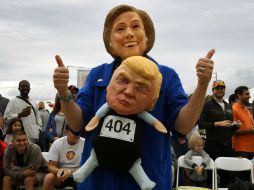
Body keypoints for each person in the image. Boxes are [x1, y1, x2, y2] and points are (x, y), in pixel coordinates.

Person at [52, 4, 215, 190]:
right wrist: (63, 92)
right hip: (98, 182)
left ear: (147, 37)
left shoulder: (166, 76)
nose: (129, 33)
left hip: (147, 182)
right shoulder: (98, 74)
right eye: (120, 29)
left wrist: (202, 85)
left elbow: (183, 126)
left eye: (135, 26)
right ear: (110, 41)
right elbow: (78, 124)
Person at [73, 56, 167, 190]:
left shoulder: (139, 113)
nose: (128, 91)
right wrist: (95, 119)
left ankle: (144, 182)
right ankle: (83, 172)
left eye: (141, 87)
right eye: (123, 80)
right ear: (109, 86)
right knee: (94, 158)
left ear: (152, 101)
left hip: (130, 155)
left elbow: (152, 120)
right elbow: (96, 116)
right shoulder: (107, 107)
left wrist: (157, 124)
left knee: (134, 165)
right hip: (101, 150)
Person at [42, 125, 85, 190]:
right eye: (74, 132)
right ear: (66, 131)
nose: (77, 134)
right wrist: (59, 171)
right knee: (49, 177)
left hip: (77, 174)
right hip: (61, 175)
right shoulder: (58, 143)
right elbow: (51, 166)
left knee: (86, 177)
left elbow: (85, 167)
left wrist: (70, 172)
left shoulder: (85, 143)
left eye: (79, 132)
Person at [232, 86, 254, 159]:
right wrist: (249, 131)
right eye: (246, 94)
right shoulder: (234, 109)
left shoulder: (246, 109)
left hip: (251, 148)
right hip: (241, 149)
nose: (249, 96)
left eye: (249, 94)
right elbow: (232, 131)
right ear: (239, 95)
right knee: (244, 170)